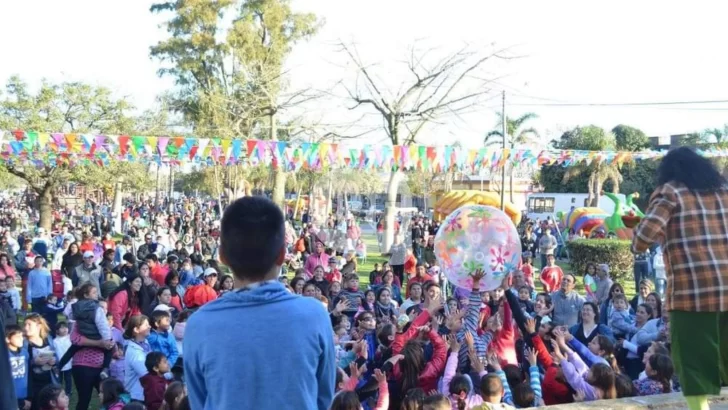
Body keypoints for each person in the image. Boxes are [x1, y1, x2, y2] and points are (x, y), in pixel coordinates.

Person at [184, 196, 335, 409]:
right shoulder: (314, 315)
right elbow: (323, 397)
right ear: (282, 255)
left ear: (222, 256)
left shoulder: (200, 324)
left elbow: (200, 401)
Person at [632, 147, 728, 410]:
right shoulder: (723, 192)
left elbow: (643, 240)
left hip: (692, 293)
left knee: (693, 362)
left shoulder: (670, 191)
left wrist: (635, 229)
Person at [124, 315, 152, 403]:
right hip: (137, 394)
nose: (149, 326)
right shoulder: (134, 352)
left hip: (144, 392)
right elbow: (146, 373)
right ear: (136, 330)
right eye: (146, 325)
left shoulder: (145, 343)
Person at [7, 324, 29, 410]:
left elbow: (28, 373)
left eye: (22, 336)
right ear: (7, 339)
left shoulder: (24, 352)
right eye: (17, 336)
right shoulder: (4, 355)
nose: (21, 339)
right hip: (9, 397)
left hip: (24, 395)